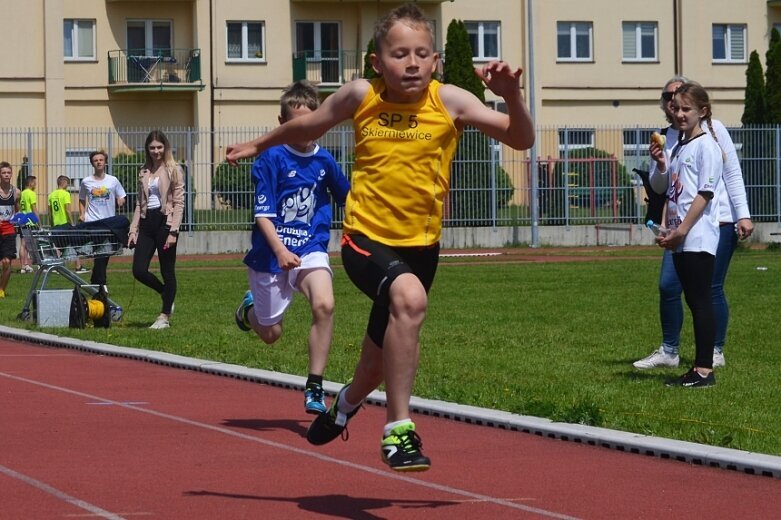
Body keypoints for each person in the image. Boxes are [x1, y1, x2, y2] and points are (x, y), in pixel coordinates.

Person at [227, 3, 534, 472]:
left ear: (435, 61)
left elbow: (521, 139)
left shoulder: (449, 100)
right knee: (409, 300)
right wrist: (258, 144)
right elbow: (310, 124)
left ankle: (344, 406)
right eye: (398, 54)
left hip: (421, 246)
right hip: (365, 239)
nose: (410, 63)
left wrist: (512, 97)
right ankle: (398, 432)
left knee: (375, 361)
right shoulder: (360, 94)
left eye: (421, 54)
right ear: (377, 61)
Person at [233, 81, 350, 415]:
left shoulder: (325, 160)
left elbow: (349, 200)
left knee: (324, 304)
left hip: (311, 246)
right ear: (282, 122)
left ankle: (315, 385)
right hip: (271, 253)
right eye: (297, 123)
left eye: (312, 122)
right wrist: (281, 250)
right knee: (271, 334)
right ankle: (249, 311)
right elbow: (264, 216)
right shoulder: (270, 158)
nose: (305, 130)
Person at [634, 76, 753, 372]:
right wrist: (661, 165)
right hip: (678, 227)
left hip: (713, 222)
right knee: (669, 286)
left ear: (699, 108)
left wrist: (743, 213)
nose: (676, 108)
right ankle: (671, 350)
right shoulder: (667, 137)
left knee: (708, 290)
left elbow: (726, 177)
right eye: (670, 100)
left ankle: (711, 354)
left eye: (683, 101)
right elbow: (664, 187)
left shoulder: (712, 132)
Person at [647, 82, 723, 387]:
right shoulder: (678, 146)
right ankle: (699, 367)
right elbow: (670, 193)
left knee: (700, 299)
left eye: (686, 109)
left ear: (702, 112)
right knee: (693, 299)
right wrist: (667, 228)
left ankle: (704, 369)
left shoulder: (707, 146)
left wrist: (681, 230)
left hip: (697, 235)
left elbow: (704, 195)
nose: (679, 114)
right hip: (680, 235)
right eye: (675, 107)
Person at [127, 130, 185, 330]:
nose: (156, 151)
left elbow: (179, 202)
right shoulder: (143, 171)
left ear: (165, 147)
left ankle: (164, 316)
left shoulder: (173, 169)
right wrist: (133, 230)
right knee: (139, 270)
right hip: (146, 223)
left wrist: (173, 231)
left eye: (159, 147)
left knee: (167, 270)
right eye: (152, 148)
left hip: (165, 223)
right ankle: (165, 293)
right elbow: (138, 203)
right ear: (147, 149)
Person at [79, 150, 126, 290]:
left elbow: (121, 195)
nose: (99, 162)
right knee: (101, 252)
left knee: (104, 253)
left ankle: (96, 280)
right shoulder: (86, 181)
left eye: (101, 159)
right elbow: (81, 198)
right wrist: (82, 214)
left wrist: (120, 200)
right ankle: (101, 284)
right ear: (92, 163)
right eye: (96, 160)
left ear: (105, 162)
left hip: (109, 222)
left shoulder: (113, 180)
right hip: (93, 222)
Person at [48, 175, 88, 274]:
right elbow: (68, 210)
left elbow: (50, 213)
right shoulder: (65, 194)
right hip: (65, 224)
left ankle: (57, 266)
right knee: (73, 244)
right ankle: (78, 267)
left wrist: (52, 224)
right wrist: (72, 223)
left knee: (58, 246)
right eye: (68, 183)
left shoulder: (51, 195)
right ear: (64, 183)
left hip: (55, 225)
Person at [0, 162, 20, 298]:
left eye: (8, 172)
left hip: (9, 229)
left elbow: (17, 209)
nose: (6, 175)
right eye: (3, 173)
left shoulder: (17, 192)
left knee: (7, 262)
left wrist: (17, 219)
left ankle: (1, 290)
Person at [18, 175, 38, 273]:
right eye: (34, 182)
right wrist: (38, 220)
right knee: (29, 244)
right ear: (30, 183)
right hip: (29, 220)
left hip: (22, 219)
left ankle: (24, 265)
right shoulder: (31, 193)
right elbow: (34, 208)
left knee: (23, 244)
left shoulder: (22, 193)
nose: (36, 184)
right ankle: (29, 264)